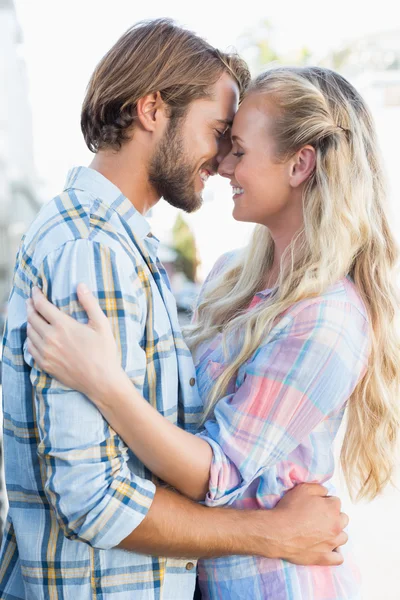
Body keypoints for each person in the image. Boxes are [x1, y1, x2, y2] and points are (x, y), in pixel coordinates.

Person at [0, 21, 347, 600]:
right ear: (153, 110)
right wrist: (274, 534)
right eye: (216, 132)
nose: (222, 159)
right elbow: (94, 500)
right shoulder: (93, 253)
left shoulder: (117, 243)